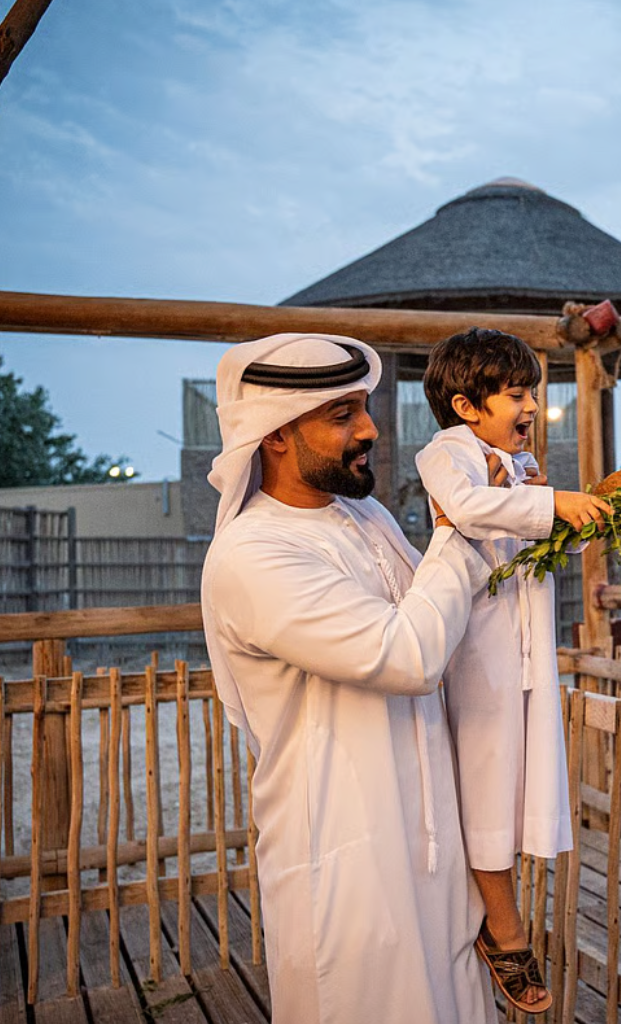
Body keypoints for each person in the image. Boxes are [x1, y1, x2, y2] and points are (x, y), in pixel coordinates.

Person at [200, 333, 495, 1024]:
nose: (369, 430)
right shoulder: (254, 554)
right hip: (346, 856)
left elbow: (447, 617)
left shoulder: (367, 515)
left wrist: (512, 522)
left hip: (433, 835)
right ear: (274, 435)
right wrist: (459, 524)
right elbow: (411, 655)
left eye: (363, 407)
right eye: (341, 415)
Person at [415, 327, 610, 1014]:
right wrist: (552, 503)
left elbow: (520, 529)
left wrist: (554, 509)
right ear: (468, 407)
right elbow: (465, 509)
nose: (531, 406)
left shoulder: (516, 464)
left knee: (521, 790)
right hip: (479, 658)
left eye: (533, 393)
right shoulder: (446, 453)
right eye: (518, 394)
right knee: (487, 794)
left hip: (525, 655)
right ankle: (505, 932)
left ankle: (491, 917)